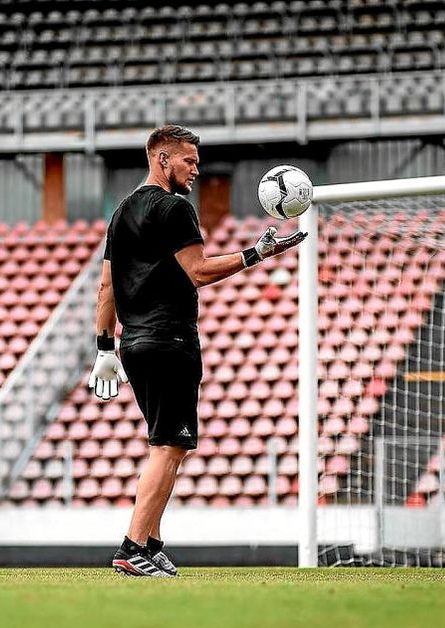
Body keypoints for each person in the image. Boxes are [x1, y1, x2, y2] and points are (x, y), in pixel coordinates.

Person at [88, 124, 307, 577]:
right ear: (162, 159)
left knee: (168, 445)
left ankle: (151, 543)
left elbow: (107, 284)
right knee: (170, 446)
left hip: (135, 344)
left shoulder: (122, 211)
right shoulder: (176, 209)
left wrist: (104, 346)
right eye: (188, 161)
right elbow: (199, 271)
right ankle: (132, 547)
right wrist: (256, 254)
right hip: (170, 341)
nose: (195, 170)